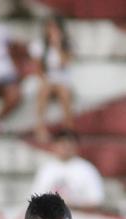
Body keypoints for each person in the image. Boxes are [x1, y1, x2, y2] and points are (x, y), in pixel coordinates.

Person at [30, 129, 105, 210]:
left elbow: (97, 201)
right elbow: (35, 197)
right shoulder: (46, 168)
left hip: (81, 217)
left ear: (76, 146)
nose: (66, 147)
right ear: (54, 146)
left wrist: (71, 204)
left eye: (69, 143)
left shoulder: (87, 169)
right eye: (62, 143)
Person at [29, 14, 72, 144]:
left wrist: (58, 46)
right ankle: (40, 127)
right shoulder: (38, 44)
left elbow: (65, 63)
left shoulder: (67, 44)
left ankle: (68, 129)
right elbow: (38, 69)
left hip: (63, 81)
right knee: (44, 90)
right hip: (47, 80)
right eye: (49, 27)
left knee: (64, 93)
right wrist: (45, 80)